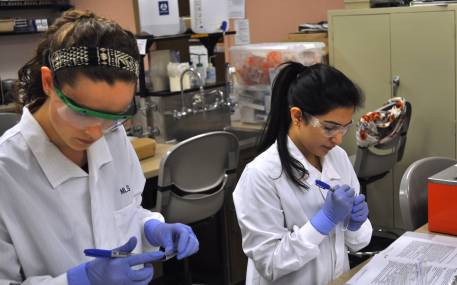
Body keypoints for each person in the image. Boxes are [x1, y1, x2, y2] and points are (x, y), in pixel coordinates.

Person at [0, 10, 199, 285]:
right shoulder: (6, 170)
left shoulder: (113, 136)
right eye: (81, 113)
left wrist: (151, 228)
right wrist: (77, 280)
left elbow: (125, 214)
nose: (96, 133)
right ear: (48, 83)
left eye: (113, 116)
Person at [233, 62, 373, 285]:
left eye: (344, 128)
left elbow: (358, 243)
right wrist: (322, 222)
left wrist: (355, 224)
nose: (338, 139)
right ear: (297, 117)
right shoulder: (261, 175)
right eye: (329, 128)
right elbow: (270, 263)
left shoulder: (338, 158)